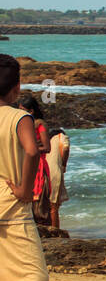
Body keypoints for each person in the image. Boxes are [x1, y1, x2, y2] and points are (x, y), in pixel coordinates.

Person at [0, 56, 71, 281]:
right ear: (16, 87)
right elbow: (32, 151)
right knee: (31, 277)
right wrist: (26, 189)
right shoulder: (19, 117)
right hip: (10, 207)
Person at [16, 95, 51, 226]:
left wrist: (30, 149)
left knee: (40, 205)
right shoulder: (25, 123)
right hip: (27, 163)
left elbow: (47, 147)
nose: (19, 112)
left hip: (38, 165)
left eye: (23, 110)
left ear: (31, 111)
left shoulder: (39, 124)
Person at [45, 127, 70, 231]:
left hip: (43, 171)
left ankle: (47, 228)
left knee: (46, 204)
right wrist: (64, 163)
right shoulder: (62, 137)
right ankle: (55, 231)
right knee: (54, 206)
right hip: (55, 172)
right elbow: (65, 148)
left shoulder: (47, 140)